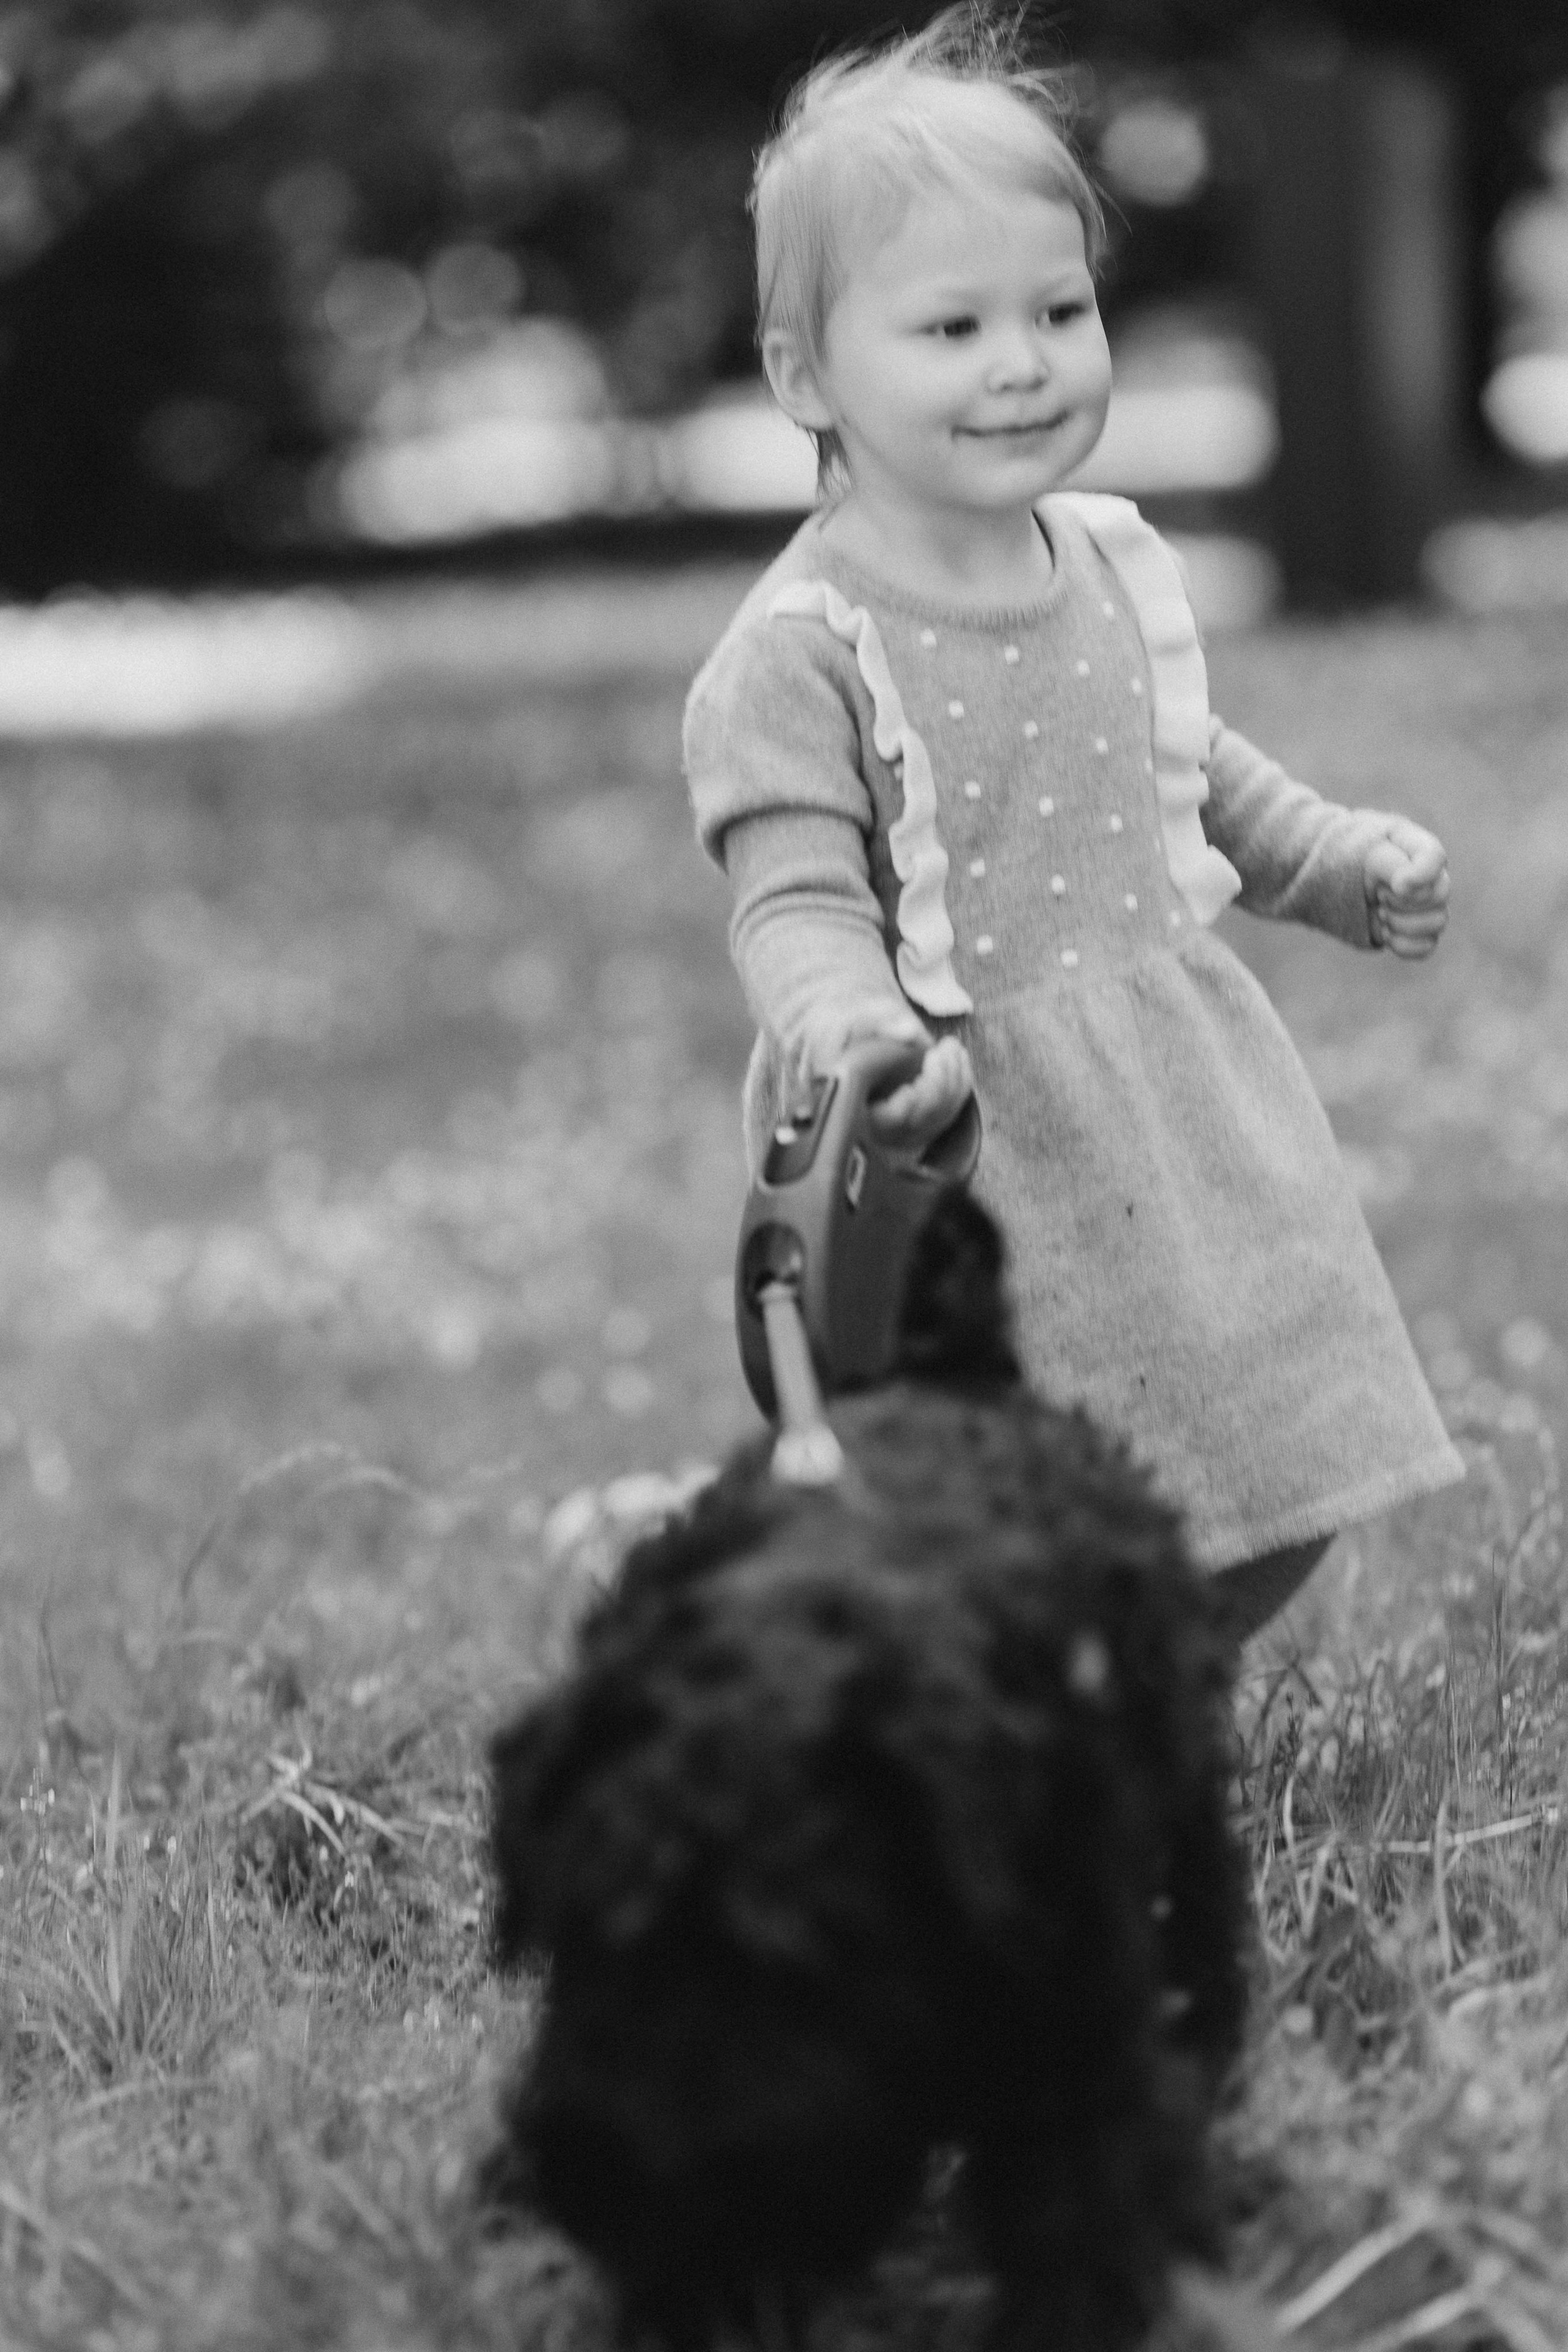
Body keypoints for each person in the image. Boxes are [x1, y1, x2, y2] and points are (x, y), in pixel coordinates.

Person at [682, 4, 1463, 1638]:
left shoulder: (1108, 560)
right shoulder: (800, 651)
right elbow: (794, 898)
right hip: (965, 1142)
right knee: (1020, 1510)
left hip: (1179, 1101)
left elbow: (1189, 767)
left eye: (1059, 307)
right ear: (803, 372)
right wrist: (847, 1028)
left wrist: (1334, 863)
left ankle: (1148, 1692)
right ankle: (1035, 1709)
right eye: (952, 327)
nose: (1023, 360)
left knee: (1274, 1461)